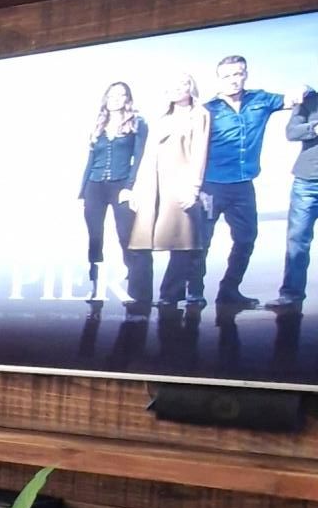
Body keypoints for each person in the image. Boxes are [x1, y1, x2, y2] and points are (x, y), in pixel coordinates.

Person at [199, 53, 288, 310]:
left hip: (243, 185)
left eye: (237, 74)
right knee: (202, 241)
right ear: (219, 79)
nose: (233, 80)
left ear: (245, 75)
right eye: (227, 76)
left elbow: (296, 99)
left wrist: (305, 92)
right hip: (211, 185)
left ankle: (229, 290)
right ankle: (194, 293)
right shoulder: (208, 110)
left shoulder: (261, 100)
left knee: (246, 239)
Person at [123, 76, 209, 315]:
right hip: (152, 183)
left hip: (180, 183)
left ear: (190, 88)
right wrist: (137, 188)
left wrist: (193, 188)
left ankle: (170, 295)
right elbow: (147, 155)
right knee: (140, 240)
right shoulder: (162, 117)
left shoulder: (200, 114)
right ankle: (140, 297)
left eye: (181, 85)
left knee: (181, 241)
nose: (176, 90)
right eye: (172, 86)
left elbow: (199, 152)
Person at [77, 81, 145, 292]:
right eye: (112, 95)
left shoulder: (137, 123)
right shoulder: (98, 124)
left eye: (121, 95)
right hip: (95, 186)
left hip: (121, 185)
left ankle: (134, 277)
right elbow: (91, 160)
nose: (116, 99)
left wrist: (130, 186)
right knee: (95, 235)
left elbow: (140, 157)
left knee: (125, 234)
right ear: (106, 98)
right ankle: (95, 277)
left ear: (127, 99)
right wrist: (82, 191)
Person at [267, 85, 318, 315]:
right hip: (307, 181)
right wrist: (314, 127)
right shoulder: (309, 100)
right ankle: (290, 294)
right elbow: (291, 133)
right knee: (298, 240)